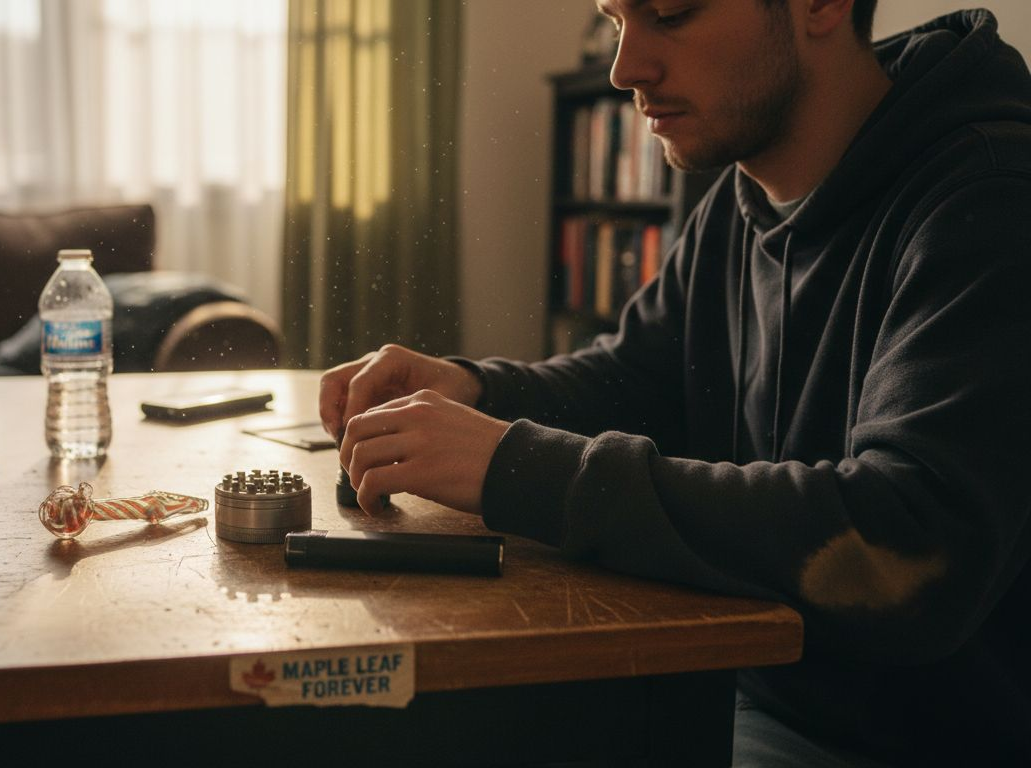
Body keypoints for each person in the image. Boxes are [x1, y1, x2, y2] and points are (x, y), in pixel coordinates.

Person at [319, 1, 1031, 765]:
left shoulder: (991, 197)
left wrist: (514, 466)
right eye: (618, 18)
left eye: (667, 13)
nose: (627, 68)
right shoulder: (741, 189)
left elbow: (906, 543)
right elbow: (639, 375)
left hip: (892, 740)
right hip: (725, 678)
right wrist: (475, 391)